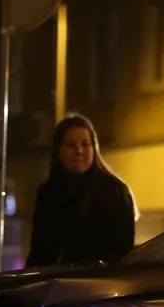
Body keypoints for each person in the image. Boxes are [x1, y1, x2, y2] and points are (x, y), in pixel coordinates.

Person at [26, 115, 137, 268]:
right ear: (58, 151)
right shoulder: (48, 194)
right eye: (70, 144)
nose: (78, 151)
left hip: (105, 285)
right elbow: (40, 254)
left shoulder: (116, 192)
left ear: (94, 149)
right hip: (62, 286)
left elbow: (125, 256)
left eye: (85, 144)